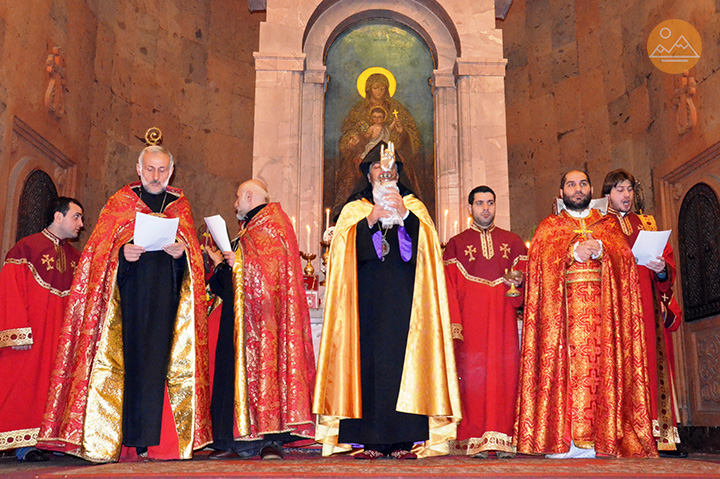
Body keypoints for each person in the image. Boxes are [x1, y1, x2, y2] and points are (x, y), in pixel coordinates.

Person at [38, 143, 211, 462]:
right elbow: (98, 254)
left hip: (166, 304)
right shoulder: (120, 202)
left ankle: (154, 441)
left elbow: (195, 261)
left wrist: (181, 255)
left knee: (159, 368)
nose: (155, 176)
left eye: (162, 170)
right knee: (127, 367)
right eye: (150, 169)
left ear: (170, 171)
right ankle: (122, 440)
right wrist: (122, 255)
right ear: (138, 169)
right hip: (126, 303)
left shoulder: (179, 205)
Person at [314, 141, 461, 459]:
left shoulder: (415, 208)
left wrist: (405, 215)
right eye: (378, 169)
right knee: (367, 367)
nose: (384, 173)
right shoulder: (354, 209)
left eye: (390, 170)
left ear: (398, 175)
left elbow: (429, 251)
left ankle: (406, 440)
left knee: (403, 365)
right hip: (364, 307)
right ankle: (367, 440)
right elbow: (339, 254)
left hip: (407, 305)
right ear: (368, 174)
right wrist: (370, 220)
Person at [514, 170, 656, 458]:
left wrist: (604, 250)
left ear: (591, 188)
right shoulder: (549, 226)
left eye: (583, 184)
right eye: (571, 184)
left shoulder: (608, 226)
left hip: (603, 320)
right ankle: (561, 441)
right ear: (561, 190)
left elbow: (625, 262)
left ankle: (604, 439)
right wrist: (572, 253)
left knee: (602, 371)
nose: (577, 189)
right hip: (563, 323)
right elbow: (538, 267)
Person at [205, 179, 316, 460]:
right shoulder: (250, 228)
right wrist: (222, 265)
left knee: (269, 374)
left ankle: (270, 441)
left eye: (237, 198)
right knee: (232, 375)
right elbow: (233, 283)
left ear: (250, 196)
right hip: (240, 318)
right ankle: (235, 441)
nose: (235, 204)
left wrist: (238, 263)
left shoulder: (272, 223)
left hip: (267, 322)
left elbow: (270, 273)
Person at [602, 169, 683, 455]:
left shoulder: (647, 223)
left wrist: (662, 271)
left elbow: (668, 267)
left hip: (647, 306)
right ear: (607, 194)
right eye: (619, 189)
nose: (626, 195)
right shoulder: (599, 224)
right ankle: (619, 437)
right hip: (613, 309)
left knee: (651, 364)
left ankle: (659, 436)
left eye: (629, 189)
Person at [443, 186, 527, 459]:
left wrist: (520, 282)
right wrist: (455, 326)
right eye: (480, 203)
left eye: (490, 203)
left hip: (503, 322)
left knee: (505, 377)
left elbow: (524, 287)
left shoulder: (513, 242)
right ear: (470, 208)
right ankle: (473, 440)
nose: (486, 208)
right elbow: (448, 289)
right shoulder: (456, 244)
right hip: (472, 323)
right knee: (473, 380)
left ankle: (504, 439)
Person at [0, 197, 83, 462]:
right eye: (77, 217)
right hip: (30, 335)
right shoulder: (27, 247)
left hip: (59, 337)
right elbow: (9, 289)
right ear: (58, 216)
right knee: (20, 388)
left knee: (50, 389)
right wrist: (17, 331)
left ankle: (35, 444)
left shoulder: (76, 257)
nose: (81, 224)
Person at [333, 73, 422, 218]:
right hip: (365, 154)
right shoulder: (358, 109)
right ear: (368, 89)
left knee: (405, 165)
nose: (379, 91)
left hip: (394, 154)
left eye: (382, 88)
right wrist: (354, 139)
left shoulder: (396, 108)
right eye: (376, 87)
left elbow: (412, 135)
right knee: (353, 167)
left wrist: (403, 133)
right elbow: (348, 133)